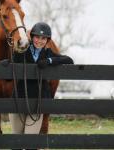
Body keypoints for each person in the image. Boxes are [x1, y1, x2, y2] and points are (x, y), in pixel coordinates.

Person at [7, 22, 74, 150]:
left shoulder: (48, 53)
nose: (40, 41)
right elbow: (12, 59)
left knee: (30, 143)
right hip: (19, 100)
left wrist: (49, 61)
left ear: (47, 40)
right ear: (31, 37)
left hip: (37, 105)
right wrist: (7, 62)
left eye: (44, 38)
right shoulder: (23, 50)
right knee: (17, 141)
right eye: (37, 37)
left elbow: (69, 60)